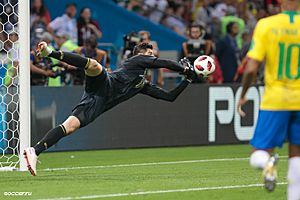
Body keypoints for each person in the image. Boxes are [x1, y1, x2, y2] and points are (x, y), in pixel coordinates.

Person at [23, 42, 197, 176]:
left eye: (152, 55)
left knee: (69, 127)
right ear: (141, 56)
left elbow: (169, 97)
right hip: (105, 83)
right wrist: (184, 68)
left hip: (98, 104)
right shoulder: (135, 60)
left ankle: (35, 151)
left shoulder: (141, 84)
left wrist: (187, 80)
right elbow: (162, 63)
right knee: (94, 66)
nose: (152, 57)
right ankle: (50, 53)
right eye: (150, 55)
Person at [237, 0, 300, 199]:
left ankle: (268, 163)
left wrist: (244, 93)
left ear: (279, 2)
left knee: (259, 153)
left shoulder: (266, 25)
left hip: (276, 99)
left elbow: (251, 68)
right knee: (297, 157)